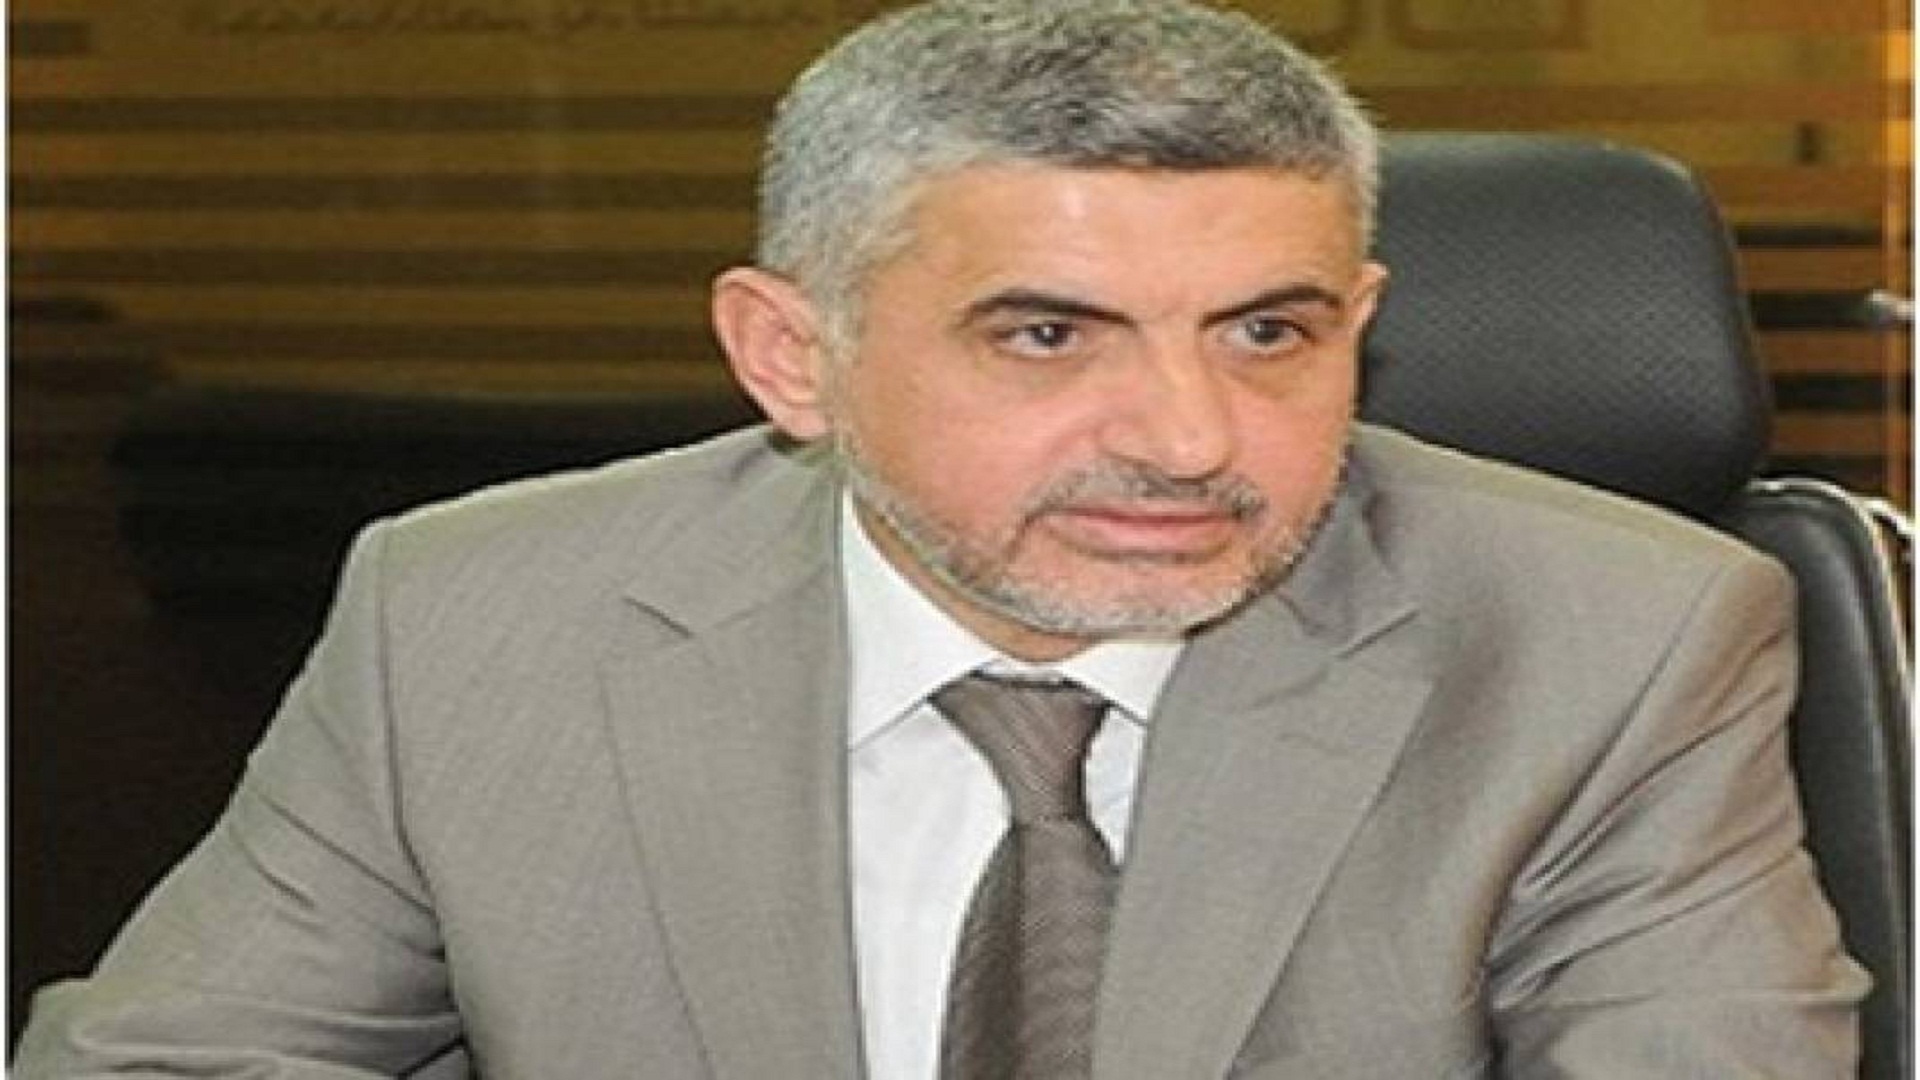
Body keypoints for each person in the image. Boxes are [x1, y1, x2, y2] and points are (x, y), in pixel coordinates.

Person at [16, 1, 1866, 1076]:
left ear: (1361, 322)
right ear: (791, 355)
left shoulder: (1615, 643)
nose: (1187, 439)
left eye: (1268, 332)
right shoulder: (477, 619)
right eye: (1047, 335)